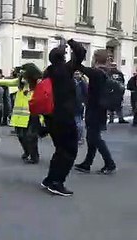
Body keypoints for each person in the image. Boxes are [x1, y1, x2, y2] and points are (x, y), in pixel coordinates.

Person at [41, 39, 87, 196]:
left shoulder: (48, 71)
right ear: (64, 58)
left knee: (60, 149)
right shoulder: (66, 70)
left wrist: (61, 48)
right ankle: (56, 182)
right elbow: (81, 52)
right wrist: (71, 42)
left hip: (51, 116)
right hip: (64, 116)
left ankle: (50, 179)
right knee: (69, 150)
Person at [74, 49, 117, 175]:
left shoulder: (96, 72)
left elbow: (78, 66)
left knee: (95, 138)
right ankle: (87, 163)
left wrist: (75, 49)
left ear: (96, 58)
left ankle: (110, 163)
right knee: (91, 137)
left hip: (95, 109)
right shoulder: (104, 72)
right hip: (99, 108)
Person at [0, 63, 43, 164]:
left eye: (24, 73)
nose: (22, 75)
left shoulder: (38, 83)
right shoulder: (20, 82)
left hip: (33, 114)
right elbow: (8, 82)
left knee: (30, 137)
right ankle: (27, 152)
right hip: (20, 115)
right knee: (21, 136)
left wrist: (42, 117)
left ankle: (34, 156)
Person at [74, 71, 88, 145]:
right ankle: (77, 137)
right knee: (77, 122)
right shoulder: (73, 82)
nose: (76, 75)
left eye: (78, 73)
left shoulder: (82, 83)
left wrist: (84, 103)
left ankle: (79, 138)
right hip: (72, 105)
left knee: (78, 122)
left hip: (78, 105)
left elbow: (86, 93)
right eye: (75, 73)